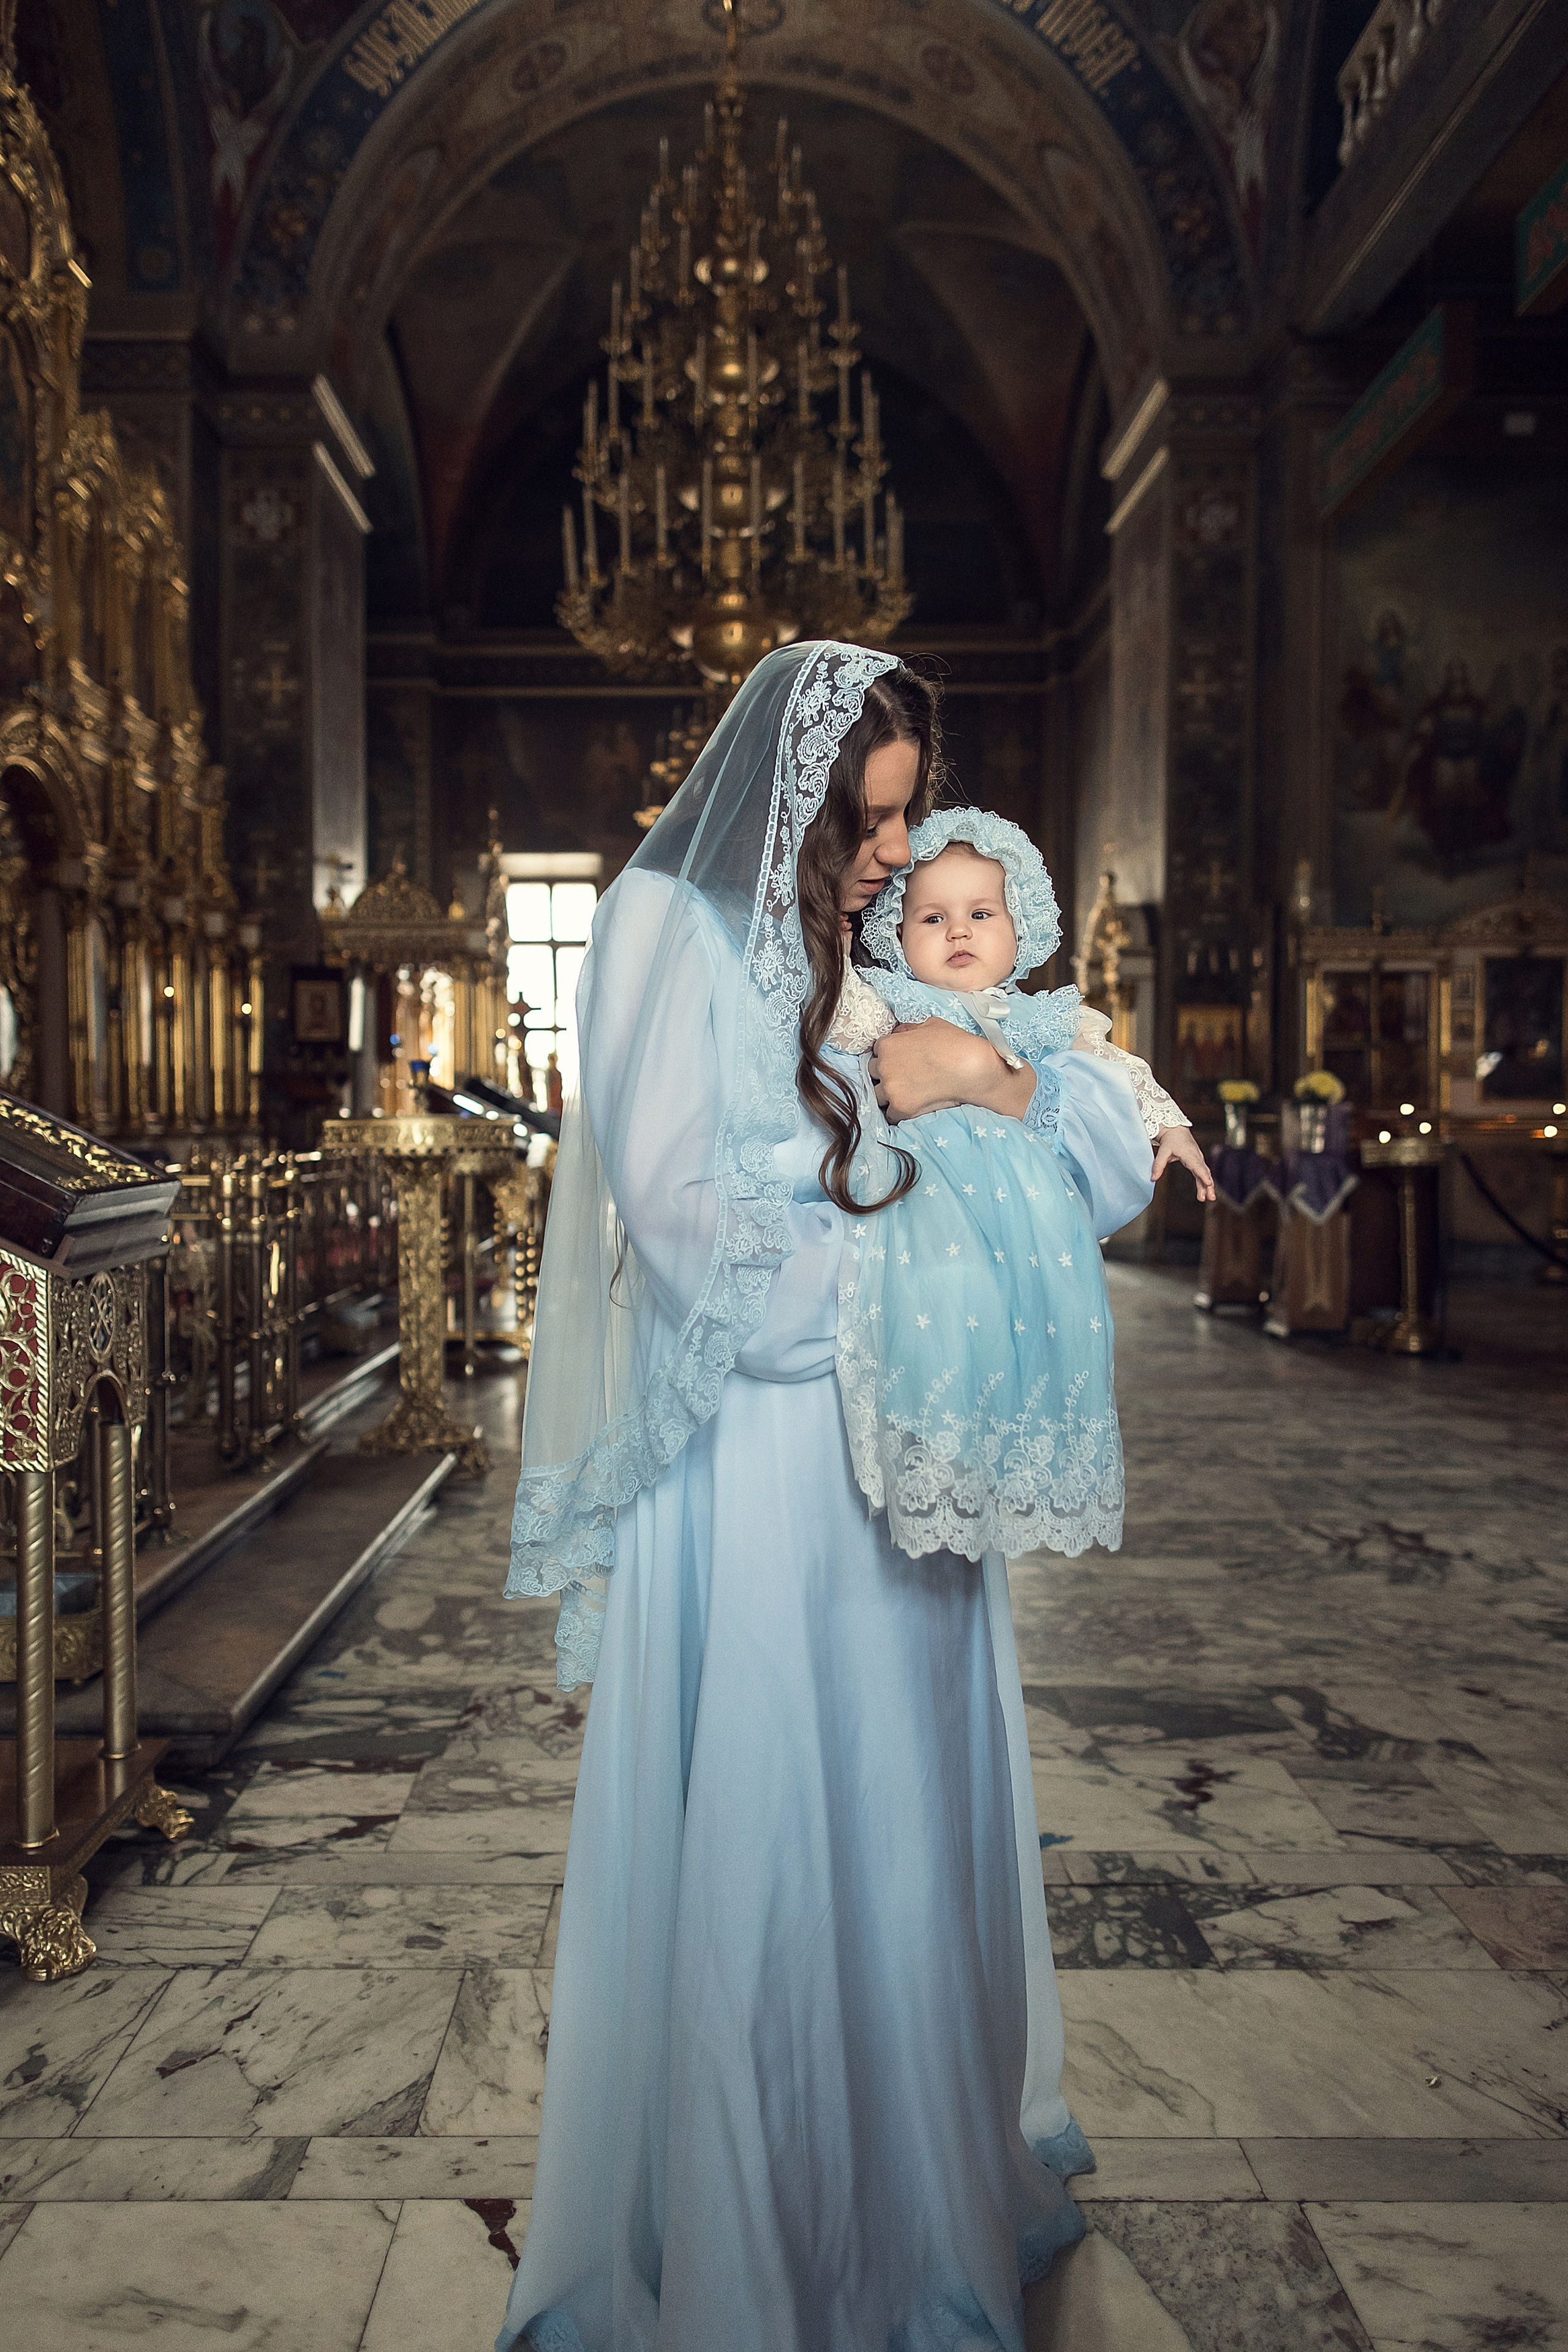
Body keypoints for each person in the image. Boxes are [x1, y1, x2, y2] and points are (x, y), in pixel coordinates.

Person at [499, 642, 1205, 2352]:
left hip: (908, 1465)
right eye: (872, 820)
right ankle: (768, 2257)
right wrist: (912, 1226)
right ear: (804, 793)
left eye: (902, 823)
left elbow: (1078, 1152)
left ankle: (916, 2217)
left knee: (908, 1836)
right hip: (760, 1473)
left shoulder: (873, 944)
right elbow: (684, 1219)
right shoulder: (669, 927)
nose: (896, 853)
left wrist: (987, 1091)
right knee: (782, 1841)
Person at [834, 805, 1161, 1566]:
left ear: (1022, 929)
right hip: (922, 1208)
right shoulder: (892, 1006)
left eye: (980, 914)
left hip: (1029, 1223)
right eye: (931, 917)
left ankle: (1015, 1454)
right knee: (946, 1318)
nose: (957, 933)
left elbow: (1122, 1075)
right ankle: (939, 1459)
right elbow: (837, 1045)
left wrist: (1169, 1126)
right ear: (893, 933)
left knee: (1034, 1327)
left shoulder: (1044, 1018)